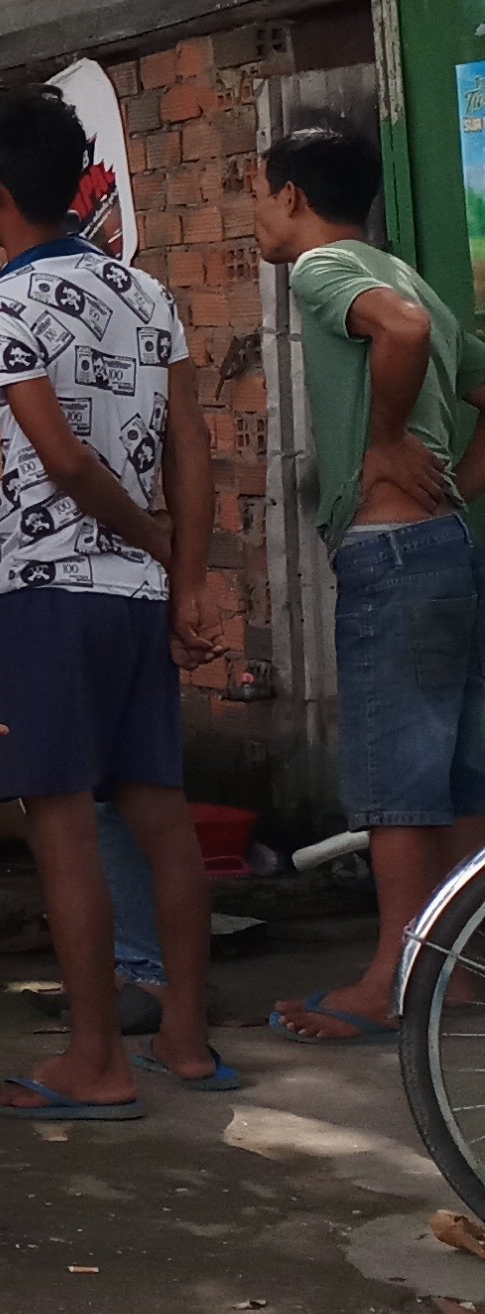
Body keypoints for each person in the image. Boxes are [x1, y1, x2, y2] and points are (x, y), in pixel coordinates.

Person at [0, 93, 234, 1109]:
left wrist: (150, 540)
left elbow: (59, 462)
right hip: (138, 600)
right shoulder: (145, 292)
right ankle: (185, 1042)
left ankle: (95, 1058)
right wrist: (182, 575)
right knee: (162, 818)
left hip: (45, 594)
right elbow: (191, 443)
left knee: (59, 827)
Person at [250, 119, 485, 1044]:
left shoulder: (323, 270)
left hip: (390, 554)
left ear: (294, 197)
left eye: (262, 197)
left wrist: (386, 444)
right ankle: (459, 971)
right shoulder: (410, 269)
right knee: (463, 772)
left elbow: (403, 333)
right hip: (447, 550)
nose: (259, 217)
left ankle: (395, 977)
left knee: (394, 777)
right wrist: (455, 488)